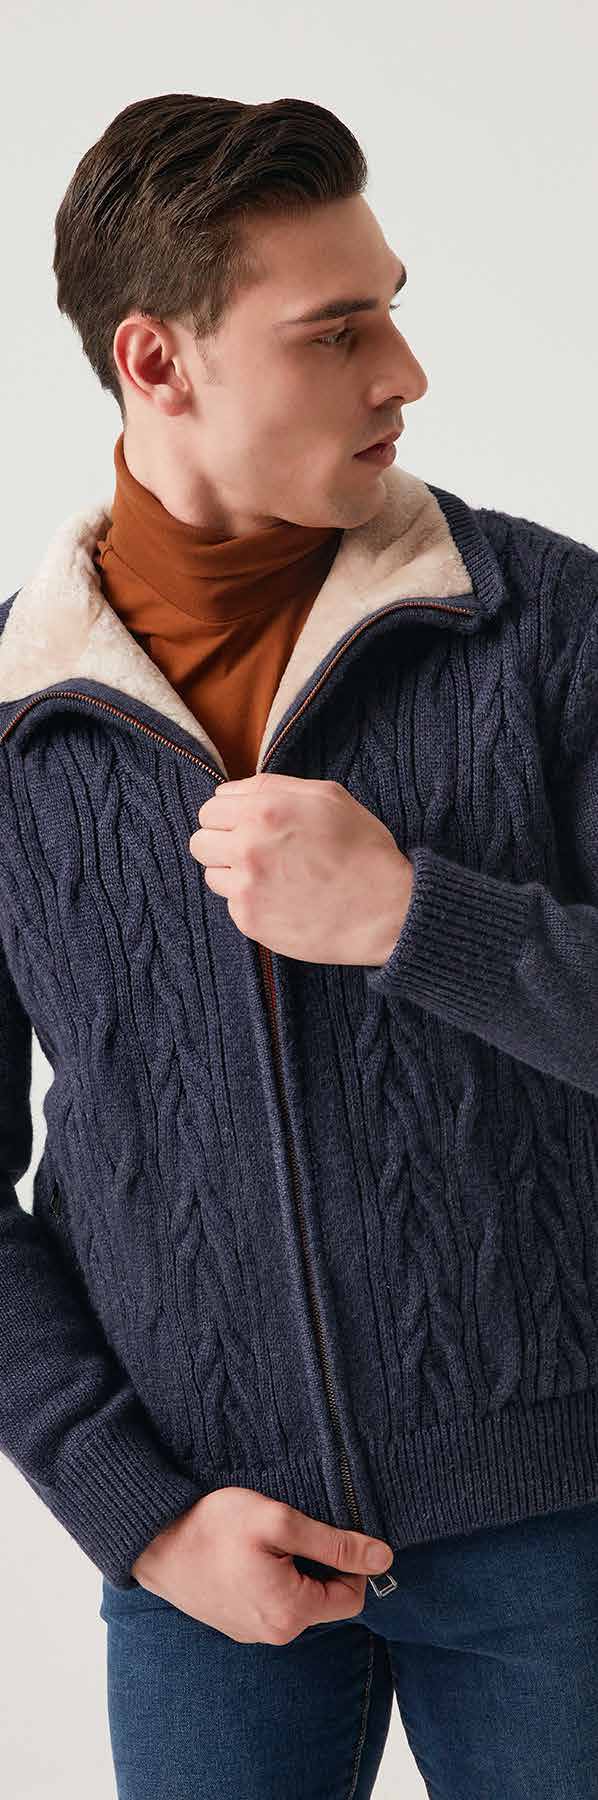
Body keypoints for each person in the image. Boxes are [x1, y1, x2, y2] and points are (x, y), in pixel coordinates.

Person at [2, 92, 598, 1799]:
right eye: (338, 332)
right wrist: (135, 1511)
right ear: (156, 360)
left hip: (559, 1537)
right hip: (205, 1567)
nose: (402, 369)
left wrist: (428, 922)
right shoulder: (15, 731)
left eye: (391, 307)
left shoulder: (541, 628)